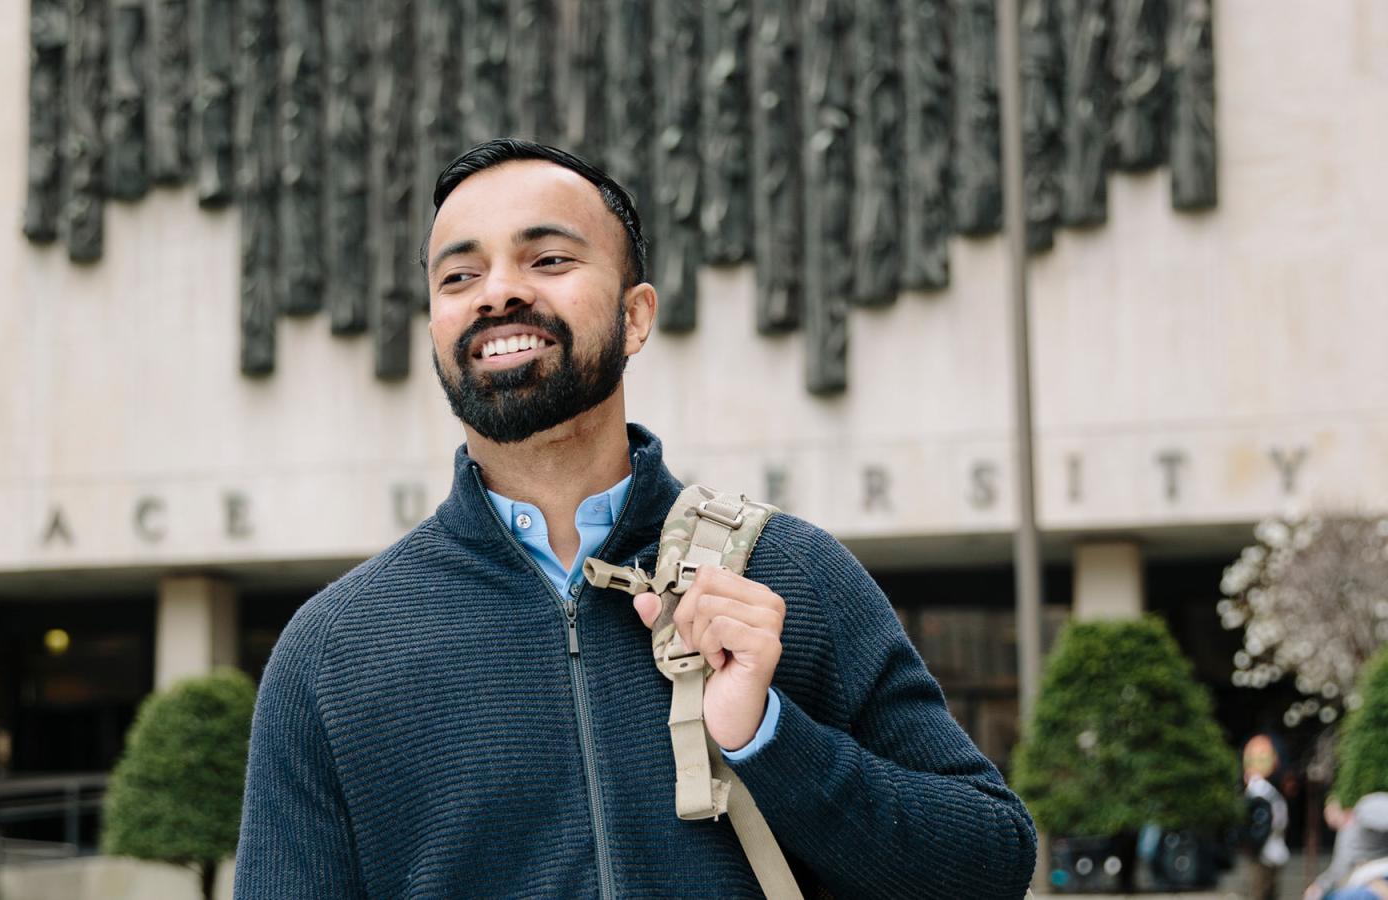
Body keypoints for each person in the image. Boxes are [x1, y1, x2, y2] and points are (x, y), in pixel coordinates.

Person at [233, 139, 1037, 898]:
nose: (499, 292)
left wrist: (769, 736)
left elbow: (988, 865)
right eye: (458, 277)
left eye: (548, 259)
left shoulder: (790, 573)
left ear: (636, 316)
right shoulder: (331, 652)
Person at [1307, 793, 1388, 900]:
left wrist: (1319, 886)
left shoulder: (1362, 810)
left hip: (1374, 875)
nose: (1328, 819)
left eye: (1329, 811)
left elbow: (1341, 866)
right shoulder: (1349, 827)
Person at [1242, 733, 1291, 900]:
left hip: (1269, 850)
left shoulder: (1262, 790)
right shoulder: (1262, 790)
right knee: (1262, 891)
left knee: (1265, 891)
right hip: (1266, 850)